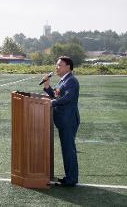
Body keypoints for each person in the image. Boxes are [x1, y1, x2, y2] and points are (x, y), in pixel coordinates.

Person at [42, 56, 80, 187]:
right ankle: (69, 177)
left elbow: (67, 98)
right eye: (56, 65)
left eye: (59, 65)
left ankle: (71, 179)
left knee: (69, 150)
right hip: (63, 120)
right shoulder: (62, 81)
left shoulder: (71, 81)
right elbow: (56, 95)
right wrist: (47, 87)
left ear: (68, 67)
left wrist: (51, 103)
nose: (56, 68)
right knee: (66, 149)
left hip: (68, 120)